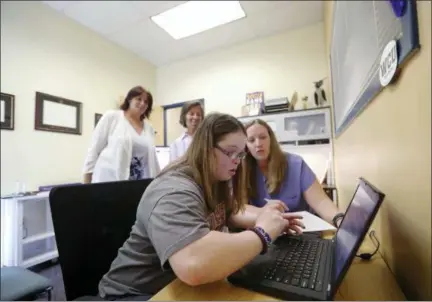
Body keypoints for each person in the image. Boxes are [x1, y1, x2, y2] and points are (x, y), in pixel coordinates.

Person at [97, 113, 305, 301]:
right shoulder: (174, 190)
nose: (237, 162)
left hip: (176, 286)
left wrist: (266, 217)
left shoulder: (215, 180)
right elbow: (193, 264)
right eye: (230, 152)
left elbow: (231, 212)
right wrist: (263, 233)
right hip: (133, 293)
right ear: (205, 148)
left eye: (241, 155)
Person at [244, 119, 344, 227]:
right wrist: (261, 213)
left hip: (301, 229)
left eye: (263, 137)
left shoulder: (295, 164)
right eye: (251, 140)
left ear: (271, 139)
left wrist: (339, 219)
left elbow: (321, 202)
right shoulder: (242, 170)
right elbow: (240, 208)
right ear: (245, 146)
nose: (258, 144)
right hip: (266, 231)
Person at [82, 86, 160, 184]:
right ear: (129, 99)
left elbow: (152, 159)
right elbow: (93, 150)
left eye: (146, 102)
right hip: (108, 181)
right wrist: (86, 184)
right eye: (139, 99)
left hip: (138, 185)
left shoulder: (149, 128)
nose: (142, 103)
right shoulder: (112, 117)